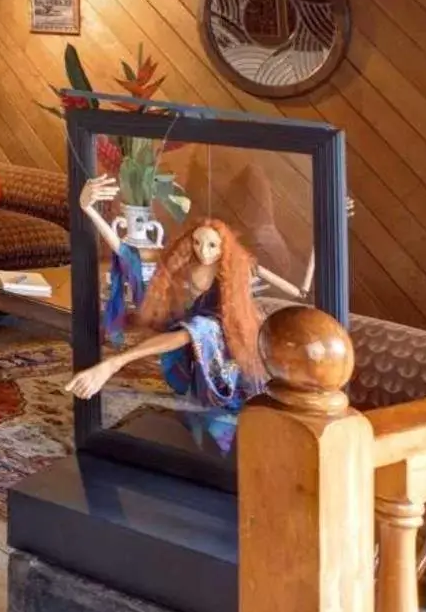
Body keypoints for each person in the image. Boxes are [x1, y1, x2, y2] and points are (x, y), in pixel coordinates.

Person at [65, 174, 278, 449]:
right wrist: (88, 209)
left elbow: (300, 292)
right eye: (198, 242)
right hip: (192, 347)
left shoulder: (238, 268)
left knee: (203, 327)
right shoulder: (183, 263)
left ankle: (117, 365)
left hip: (227, 350)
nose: (204, 250)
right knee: (185, 321)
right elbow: (126, 252)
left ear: (225, 247)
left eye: (213, 245)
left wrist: (115, 362)